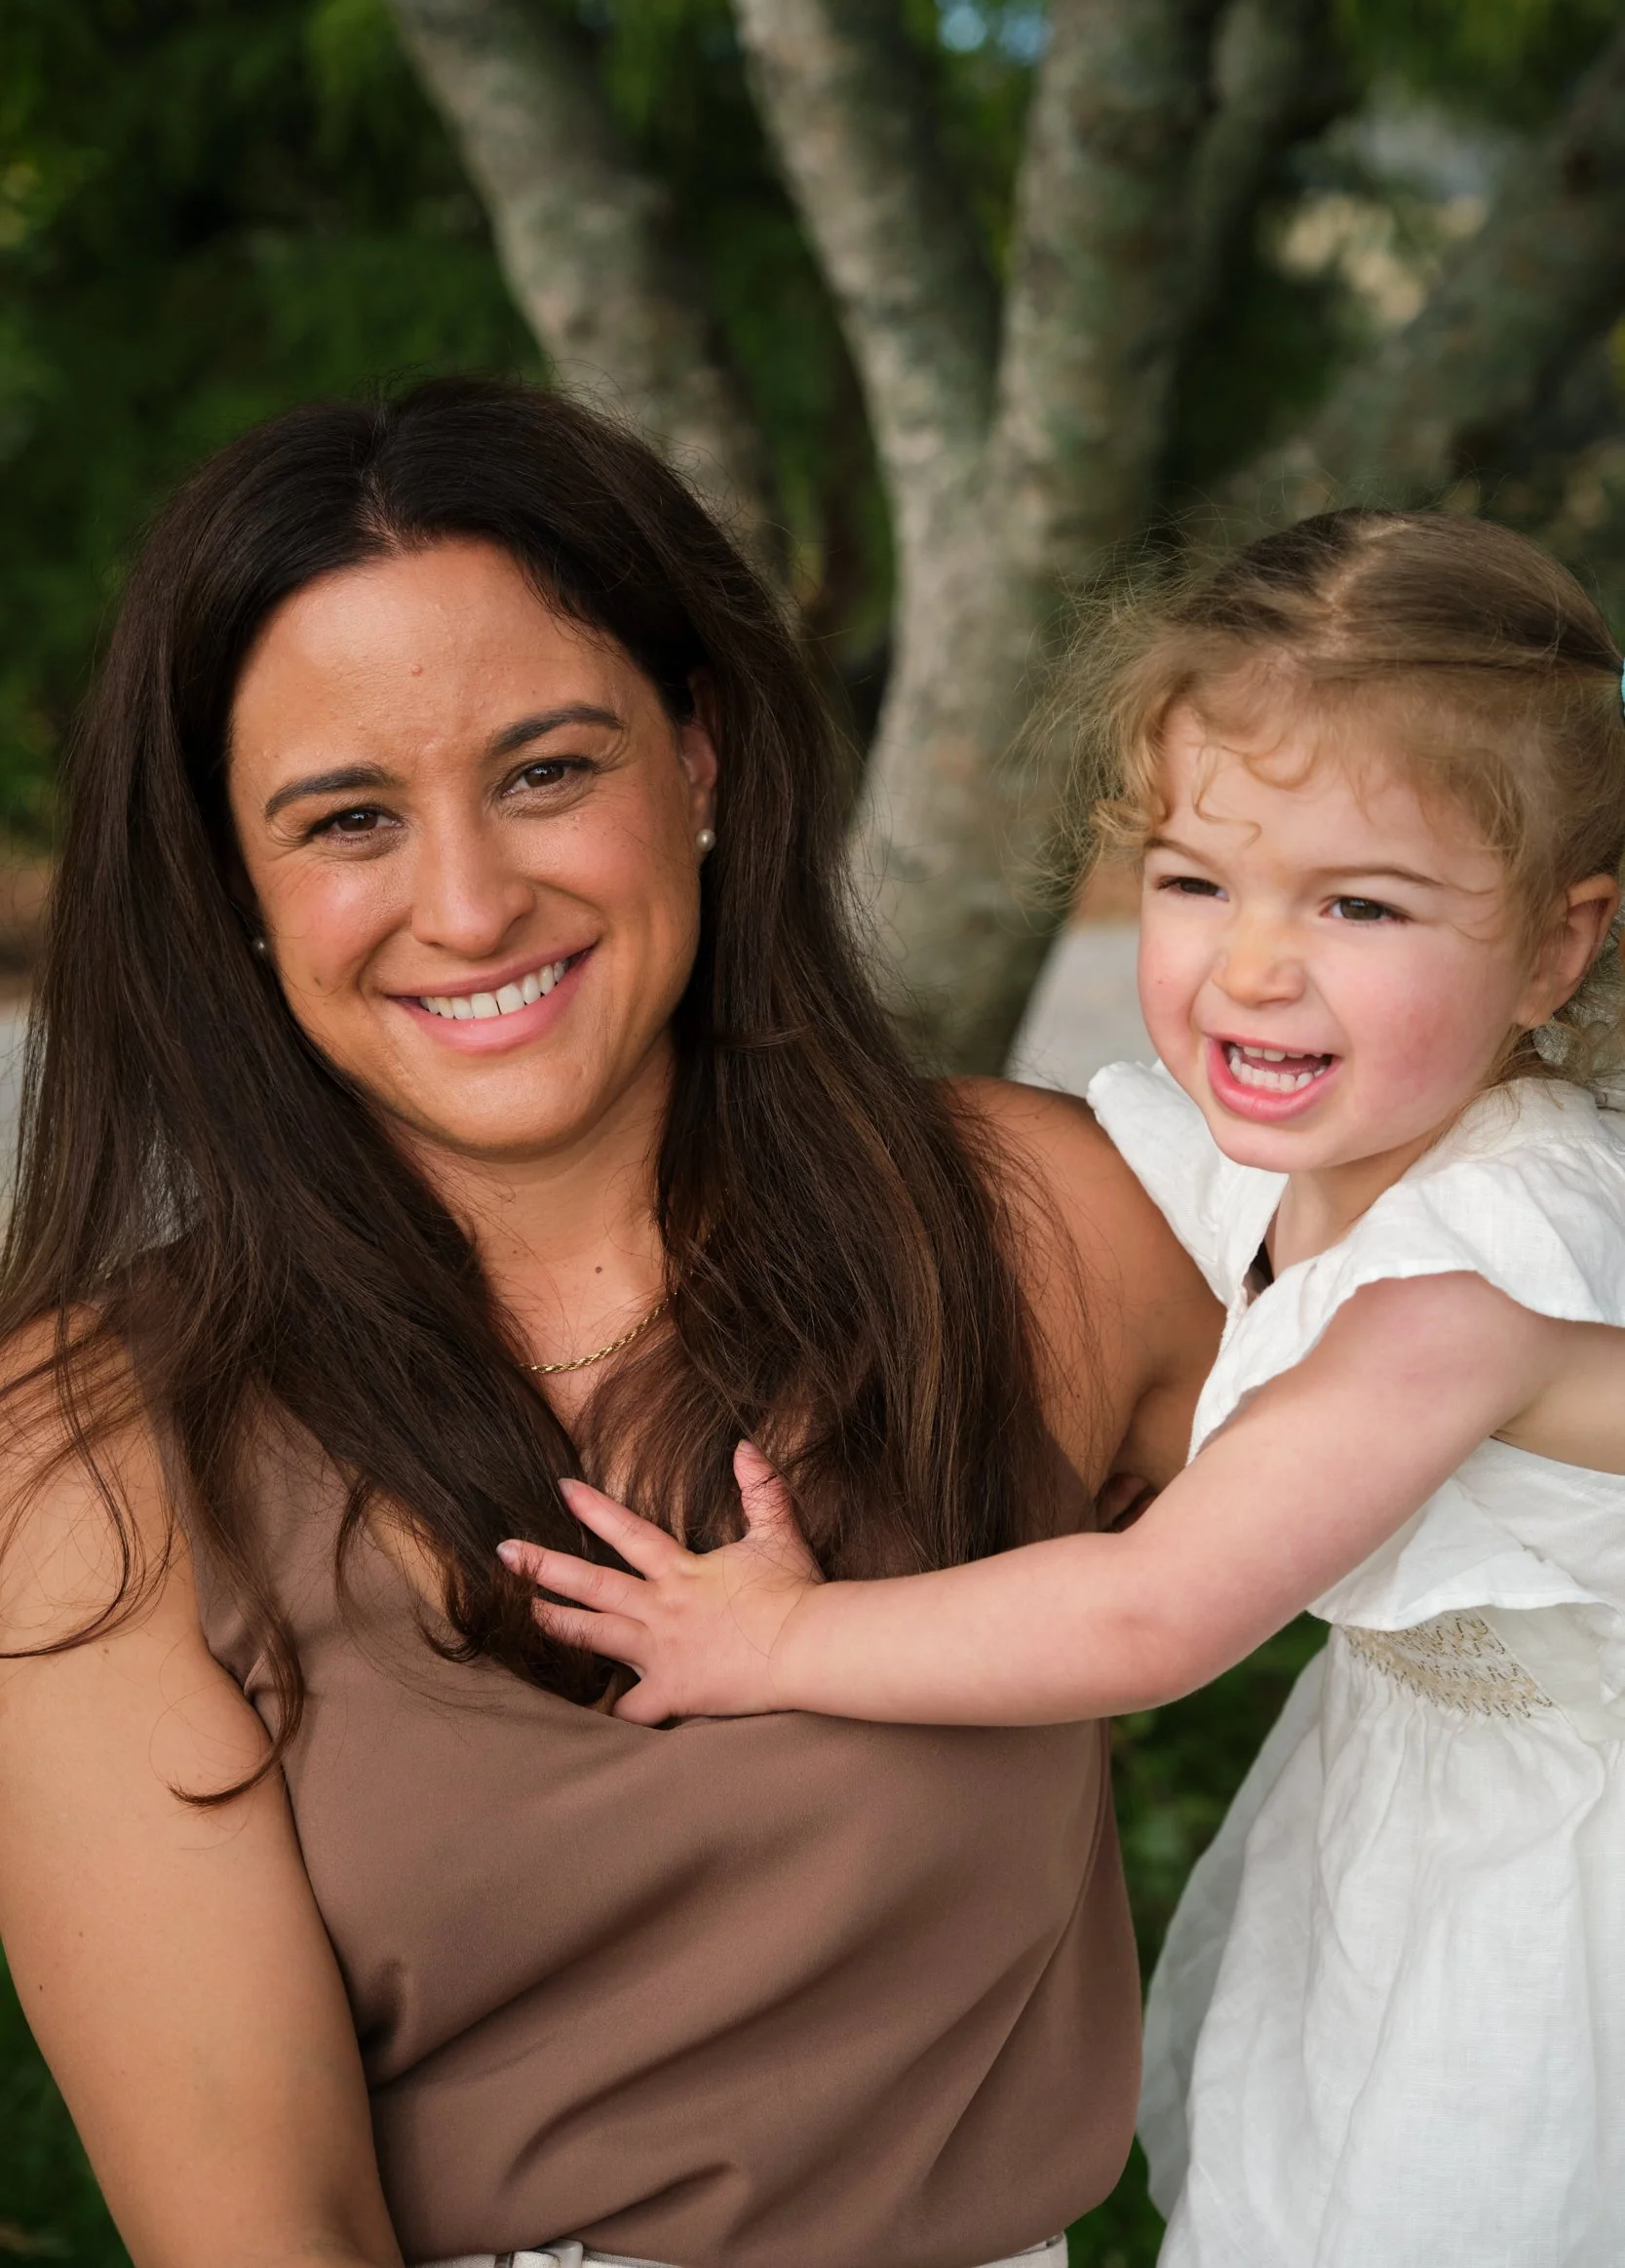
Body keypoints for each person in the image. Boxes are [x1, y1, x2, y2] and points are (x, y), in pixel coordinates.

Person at [0, 377, 1223, 2268]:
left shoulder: (1030, 1231)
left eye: (548, 769)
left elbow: (1520, 1550)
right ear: (230, 881)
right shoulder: (85, 1454)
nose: (471, 902)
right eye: (345, 818)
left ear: (702, 755)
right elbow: (260, 2229)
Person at [513, 509, 1625, 2267]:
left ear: (1559, 950)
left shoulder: (1464, 1291)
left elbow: (1146, 1620)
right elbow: (1009, 1159)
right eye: (1195, 882)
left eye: (1358, 903)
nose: (1252, 964)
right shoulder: (1291, 1153)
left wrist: (777, 1646)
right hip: (1412, 1816)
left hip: (1554, 1894)